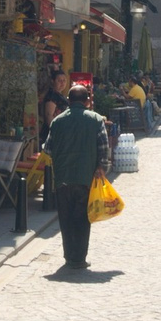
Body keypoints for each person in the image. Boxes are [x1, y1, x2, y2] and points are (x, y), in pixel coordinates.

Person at [43, 84, 112, 270]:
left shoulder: (57, 122)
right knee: (82, 218)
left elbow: (47, 149)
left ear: (69, 100)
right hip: (86, 178)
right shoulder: (96, 120)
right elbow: (103, 148)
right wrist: (102, 168)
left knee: (65, 219)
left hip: (63, 178)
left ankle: (69, 256)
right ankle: (79, 258)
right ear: (87, 101)